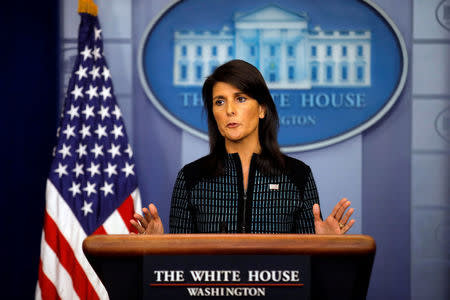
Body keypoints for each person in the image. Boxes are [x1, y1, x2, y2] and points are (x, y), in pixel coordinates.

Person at [131, 59, 354, 235]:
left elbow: (307, 273)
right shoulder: (190, 178)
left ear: (261, 109)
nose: (229, 110)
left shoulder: (297, 175)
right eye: (219, 102)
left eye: (240, 99)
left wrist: (326, 245)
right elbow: (179, 269)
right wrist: (159, 247)